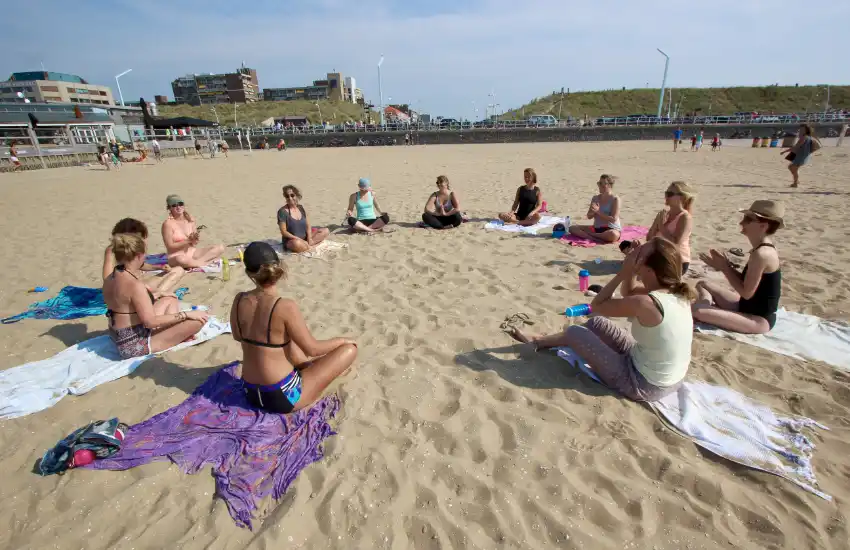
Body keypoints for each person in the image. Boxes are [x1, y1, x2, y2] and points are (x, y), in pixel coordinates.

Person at [507, 238, 694, 402]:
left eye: (640, 253)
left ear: (650, 269)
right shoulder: (675, 293)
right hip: (659, 373)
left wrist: (623, 272)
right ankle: (543, 340)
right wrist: (631, 268)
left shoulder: (646, 303)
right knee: (598, 323)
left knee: (575, 333)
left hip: (641, 384)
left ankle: (538, 342)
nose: (635, 254)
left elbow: (597, 306)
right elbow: (627, 292)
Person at [232, 242, 358, 413]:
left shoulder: (239, 299)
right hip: (282, 397)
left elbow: (238, 336)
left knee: (282, 340)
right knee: (349, 350)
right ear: (278, 270)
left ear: (249, 273)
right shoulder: (284, 306)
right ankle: (311, 376)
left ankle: (306, 368)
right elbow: (313, 349)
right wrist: (342, 340)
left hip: (251, 393)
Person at [103, 233, 209, 359]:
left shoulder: (111, 277)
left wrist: (158, 294)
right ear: (138, 256)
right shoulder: (134, 285)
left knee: (169, 299)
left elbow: (126, 302)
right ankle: (177, 336)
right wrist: (186, 314)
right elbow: (150, 322)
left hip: (117, 334)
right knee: (197, 321)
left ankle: (175, 334)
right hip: (133, 345)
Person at [692, 200, 783, 334]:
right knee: (703, 284)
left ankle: (707, 309)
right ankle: (709, 309)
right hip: (745, 307)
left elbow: (746, 293)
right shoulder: (761, 249)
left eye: (748, 219)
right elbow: (749, 283)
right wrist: (725, 266)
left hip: (758, 320)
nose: (742, 223)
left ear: (763, 226)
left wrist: (725, 268)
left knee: (697, 311)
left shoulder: (762, 254)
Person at [103, 217, 185, 292]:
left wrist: (159, 267)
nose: (141, 240)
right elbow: (107, 278)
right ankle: (156, 294)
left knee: (178, 270)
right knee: (175, 274)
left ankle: (157, 293)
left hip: (135, 286)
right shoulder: (112, 250)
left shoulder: (131, 248)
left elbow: (140, 265)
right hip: (125, 290)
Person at [630, 181, 694, 275]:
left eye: (670, 194)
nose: (666, 196)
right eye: (666, 193)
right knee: (631, 251)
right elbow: (649, 238)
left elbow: (676, 243)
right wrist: (656, 226)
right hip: (659, 255)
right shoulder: (663, 214)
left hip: (676, 261)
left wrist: (661, 226)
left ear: (682, 197)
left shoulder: (685, 217)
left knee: (636, 263)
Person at [161, 194, 225, 268]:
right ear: (169, 208)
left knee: (220, 248)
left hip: (192, 252)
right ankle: (204, 262)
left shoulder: (190, 219)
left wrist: (195, 239)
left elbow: (195, 243)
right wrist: (188, 241)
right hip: (176, 256)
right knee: (181, 259)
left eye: (180, 204)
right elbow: (170, 247)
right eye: (174, 205)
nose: (178, 207)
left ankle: (199, 262)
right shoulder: (167, 224)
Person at [568, 174, 622, 243]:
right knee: (572, 228)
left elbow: (613, 219)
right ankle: (594, 237)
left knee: (613, 235)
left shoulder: (615, 199)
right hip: (596, 228)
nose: (599, 186)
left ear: (609, 185)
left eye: (601, 184)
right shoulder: (595, 198)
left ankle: (591, 236)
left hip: (611, 229)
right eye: (598, 183)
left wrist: (598, 212)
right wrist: (593, 212)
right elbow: (589, 216)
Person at [278, 185, 330, 252]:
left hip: (305, 238)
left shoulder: (301, 208)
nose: (290, 198)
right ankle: (311, 247)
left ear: (296, 195)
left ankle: (308, 246)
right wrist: (299, 239)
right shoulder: (282, 212)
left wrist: (309, 238)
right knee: (296, 244)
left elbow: (308, 226)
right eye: (287, 196)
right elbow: (284, 232)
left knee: (325, 231)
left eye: (292, 195)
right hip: (292, 240)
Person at [781, 124, 816, 188]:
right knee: (791, 167)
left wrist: (785, 151)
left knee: (793, 168)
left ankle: (795, 183)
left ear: (806, 130)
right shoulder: (808, 137)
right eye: (800, 129)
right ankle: (796, 181)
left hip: (801, 156)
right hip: (803, 155)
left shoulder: (804, 137)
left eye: (802, 129)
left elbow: (796, 147)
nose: (800, 130)